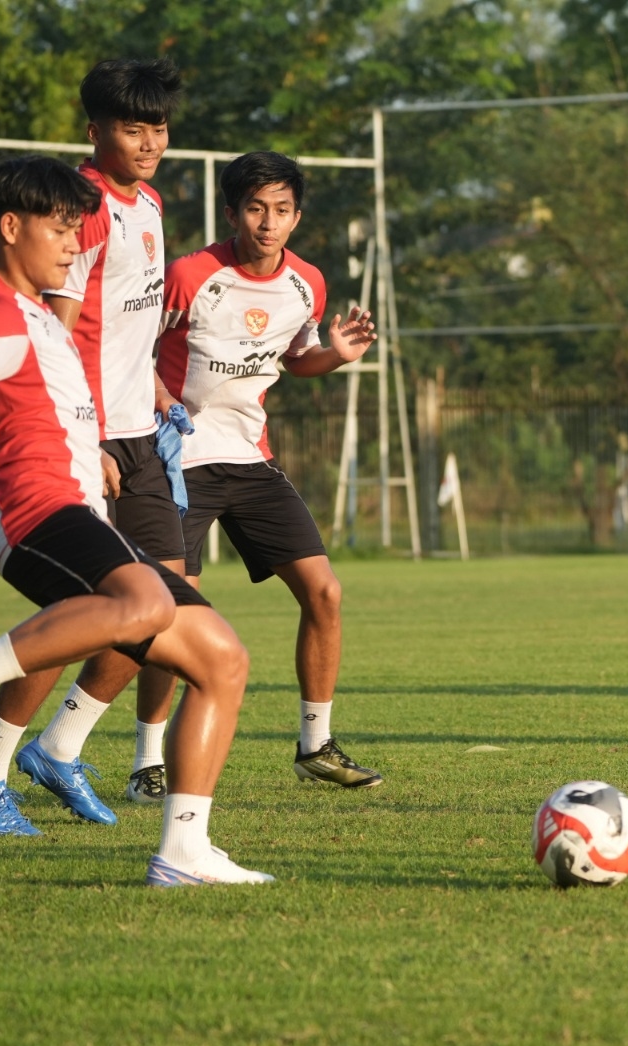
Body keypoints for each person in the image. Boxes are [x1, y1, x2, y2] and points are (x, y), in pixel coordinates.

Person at [0, 154, 270, 885]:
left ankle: (183, 853)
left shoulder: (39, 312)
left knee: (222, 657)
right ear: (11, 227)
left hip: (79, 503)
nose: (74, 243)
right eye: (61, 229)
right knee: (145, 599)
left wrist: (91, 448)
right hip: (33, 513)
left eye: (77, 228)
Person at [0, 58, 185, 828]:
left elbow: (127, 322)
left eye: (157, 126)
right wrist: (79, 437)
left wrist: (154, 387)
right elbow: (57, 329)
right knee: (86, 605)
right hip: (89, 440)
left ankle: (61, 745)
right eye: (132, 127)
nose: (149, 141)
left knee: (158, 606)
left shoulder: (149, 202)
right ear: (96, 132)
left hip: (139, 433)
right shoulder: (78, 211)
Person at [156, 151, 382, 789]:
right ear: (231, 212)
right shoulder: (189, 276)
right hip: (179, 459)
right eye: (255, 208)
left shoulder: (308, 282)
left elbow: (295, 358)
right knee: (173, 612)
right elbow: (133, 353)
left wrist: (334, 355)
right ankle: (147, 759)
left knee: (325, 592)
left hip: (251, 459)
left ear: (298, 216)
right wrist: (160, 408)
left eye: (281, 210)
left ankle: (316, 744)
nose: (268, 222)